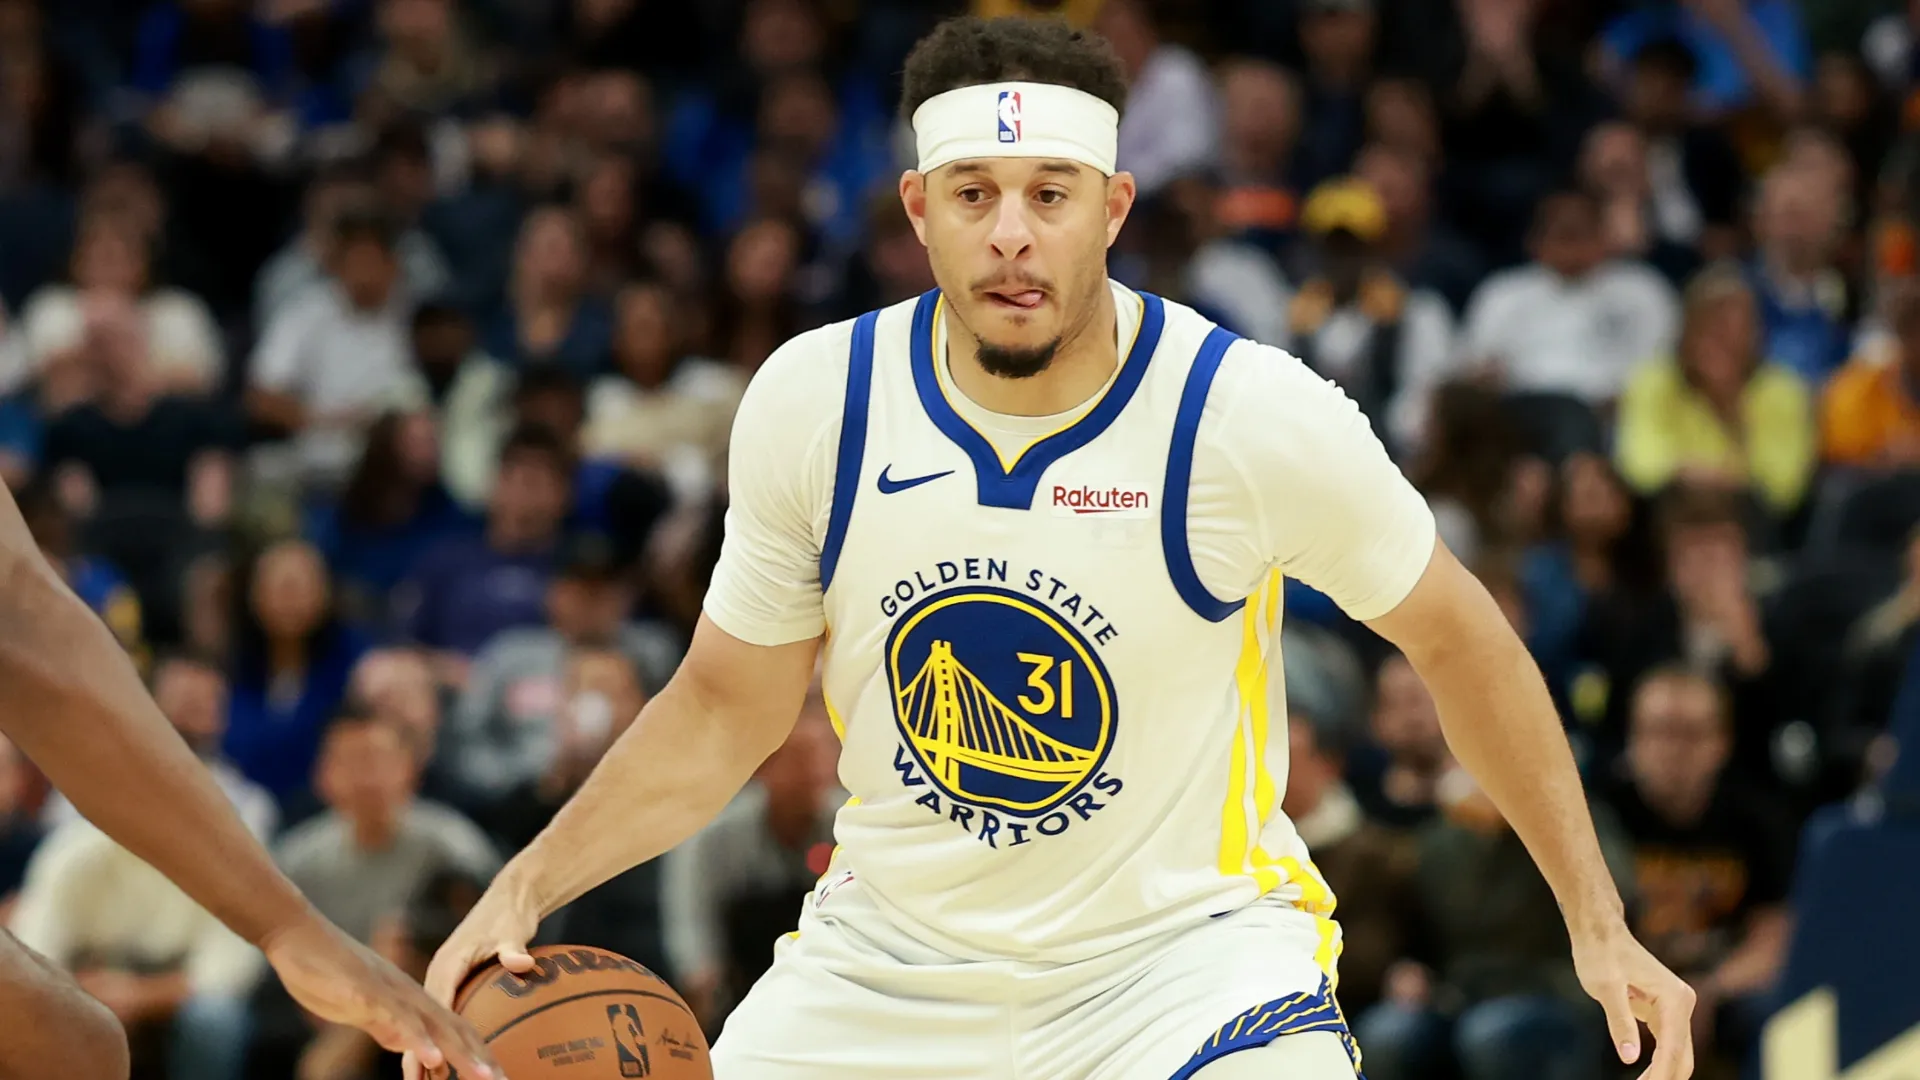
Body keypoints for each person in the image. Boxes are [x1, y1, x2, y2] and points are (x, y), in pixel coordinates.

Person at [418, 16, 1694, 1080]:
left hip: (1188, 966)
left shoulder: (1245, 415)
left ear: (1114, 207)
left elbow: (1462, 642)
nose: (1012, 232)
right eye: (974, 195)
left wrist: (1597, 920)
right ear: (919, 210)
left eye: (1050, 195)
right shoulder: (818, 400)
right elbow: (721, 708)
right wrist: (528, 885)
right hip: (890, 968)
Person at [0, 480, 497, 1077]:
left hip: (210, 996)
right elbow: (48, 664)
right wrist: (289, 926)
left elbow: (46, 657)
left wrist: (288, 927)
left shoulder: (441, 839)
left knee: (75, 1043)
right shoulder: (79, 849)